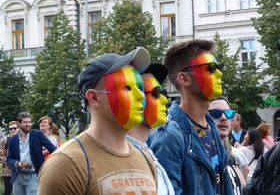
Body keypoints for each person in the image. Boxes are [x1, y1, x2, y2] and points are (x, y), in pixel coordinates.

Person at [38, 47, 158, 195]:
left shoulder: (146, 159)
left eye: (140, 87)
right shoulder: (66, 164)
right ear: (94, 98)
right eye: (127, 88)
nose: (140, 96)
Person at [147, 40, 233, 195]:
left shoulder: (211, 127)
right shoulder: (169, 136)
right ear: (184, 78)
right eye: (211, 69)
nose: (219, 73)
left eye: (219, 67)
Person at [127, 63, 175, 195]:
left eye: (164, 93)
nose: (165, 100)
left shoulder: (145, 151)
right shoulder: (124, 158)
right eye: (156, 93)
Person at [7, 112, 57, 195]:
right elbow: (9, 159)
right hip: (18, 177)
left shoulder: (37, 134)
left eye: (29, 122)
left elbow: (53, 150)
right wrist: (18, 163)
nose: (28, 124)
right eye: (25, 122)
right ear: (19, 124)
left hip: (33, 176)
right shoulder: (13, 139)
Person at [209, 96, 249, 194]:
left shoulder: (230, 155)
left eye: (228, 113)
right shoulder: (201, 156)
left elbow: (243, 188)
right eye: (216, 113)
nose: (223, 118)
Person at [0, 121, 19, 195]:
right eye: (10, 129)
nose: (12, 130)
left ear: (19, 128)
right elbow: (0, 155)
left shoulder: (23, 139)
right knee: (8, 191)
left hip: (21, 170)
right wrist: (10, 163)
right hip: (8, 171)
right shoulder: (4, 140)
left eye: (14, 128)